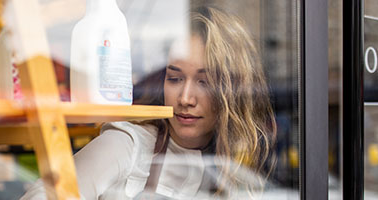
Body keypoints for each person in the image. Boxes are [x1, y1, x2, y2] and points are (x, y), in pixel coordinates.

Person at [20, 6, 276, 200]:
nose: (185, 99)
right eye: (174, 78)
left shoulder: (236, 165)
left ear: (232, 91)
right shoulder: (128, 143)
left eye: (205, 83)